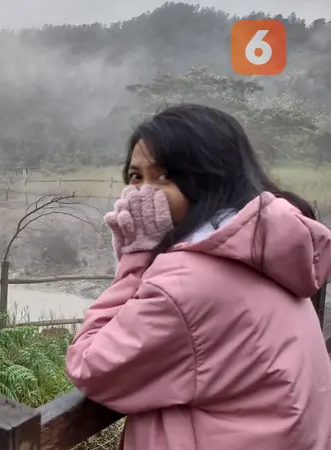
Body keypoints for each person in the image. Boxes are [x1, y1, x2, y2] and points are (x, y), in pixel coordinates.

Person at [65, 103, 331, 450]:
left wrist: (137, 256)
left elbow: (91, 365)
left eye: (165, 176)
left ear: (210, 178)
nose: (144, 194)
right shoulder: (267, 246)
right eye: (135, 177)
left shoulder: (185, 284)